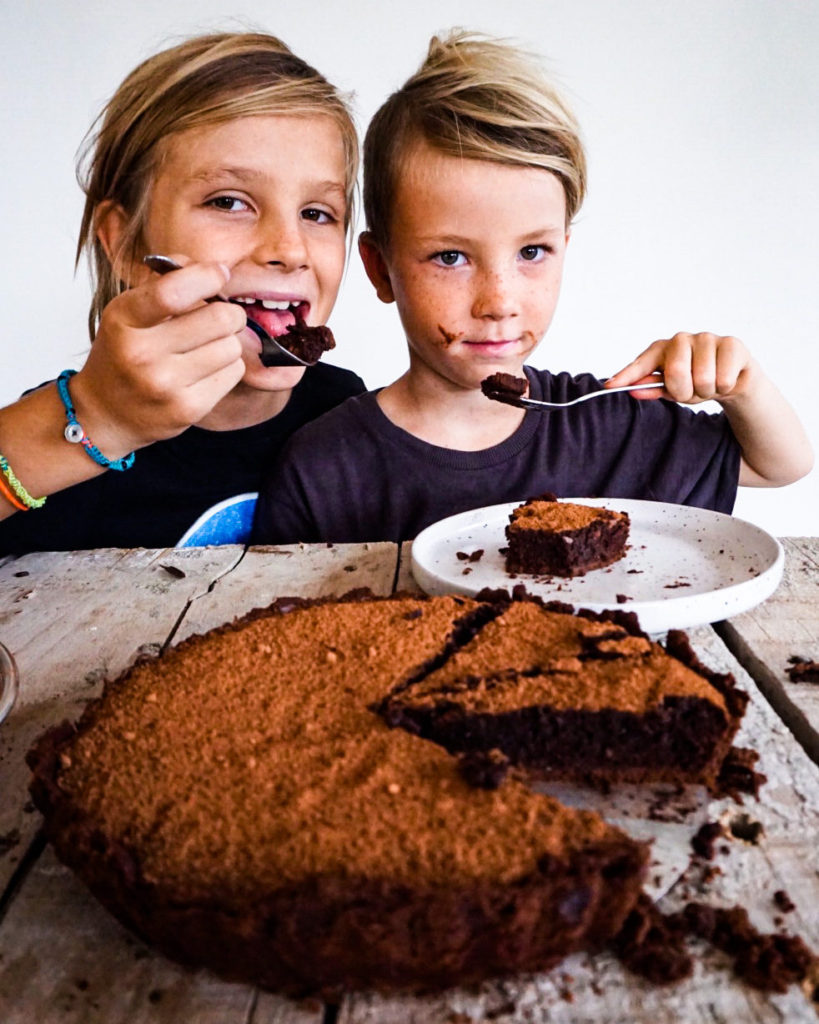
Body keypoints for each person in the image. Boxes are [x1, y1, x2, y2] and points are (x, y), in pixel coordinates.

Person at [253, 30, 812, 545]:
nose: (499, 302)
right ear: (380, 269)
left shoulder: (605, 423)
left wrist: (740, 386)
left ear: (564, 249)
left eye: (531, 253)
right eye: (451, 257)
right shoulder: (323, 466)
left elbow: (780, 466)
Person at [0, 32, 364, 554]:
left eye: (316, 213)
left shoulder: (347, 414)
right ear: (125, 243)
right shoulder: (69, 430)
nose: (290, 249)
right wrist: (99, 417)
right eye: (229, 202)